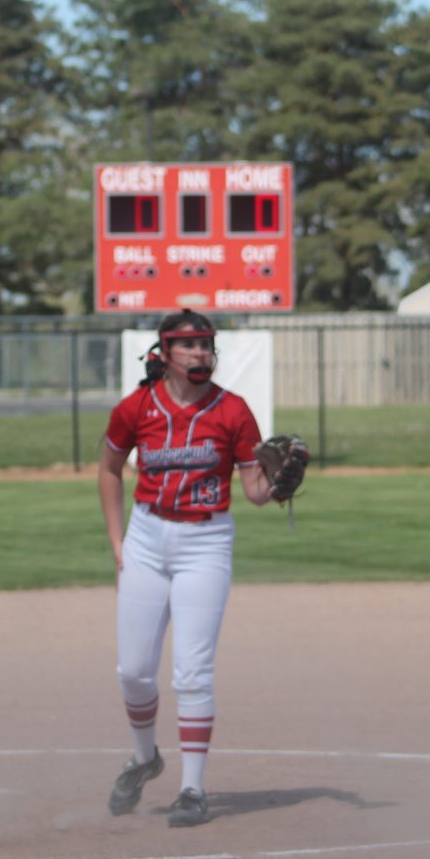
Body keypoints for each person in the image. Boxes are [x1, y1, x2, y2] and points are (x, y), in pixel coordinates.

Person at [98, 310, 277, 827]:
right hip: (147, 539)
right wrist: (117, 543)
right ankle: (144, 757)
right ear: (165, 352)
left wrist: (278, 483)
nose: (201, 353)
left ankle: (193, 789)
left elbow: (255, 492)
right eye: (190, 345)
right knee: (133, 670)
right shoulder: (136, 407)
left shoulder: (233, 411)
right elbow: (109, 470)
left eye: (206, 344)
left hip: (206, 541)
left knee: (192, 671)